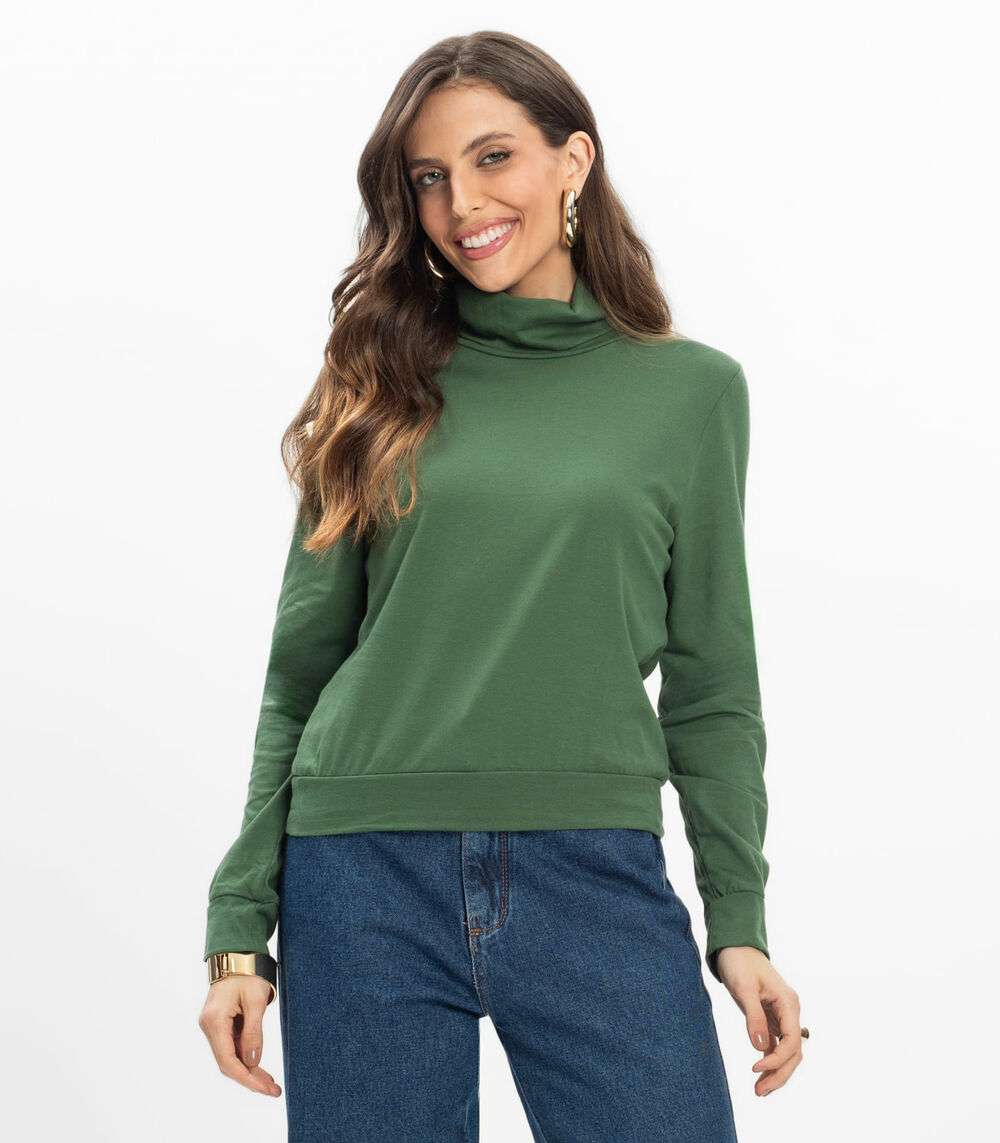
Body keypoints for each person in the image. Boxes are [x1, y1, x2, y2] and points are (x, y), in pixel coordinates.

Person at [197, 29, 805, 1141]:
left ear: (573, 160)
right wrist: (239, 930)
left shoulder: (691, 393)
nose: (461, 203)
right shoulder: (373, 381)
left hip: (593, 867)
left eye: (492, 158)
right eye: (429, 177)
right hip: (361, 874)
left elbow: (714, 685)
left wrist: (739, 917)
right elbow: (301, 676)